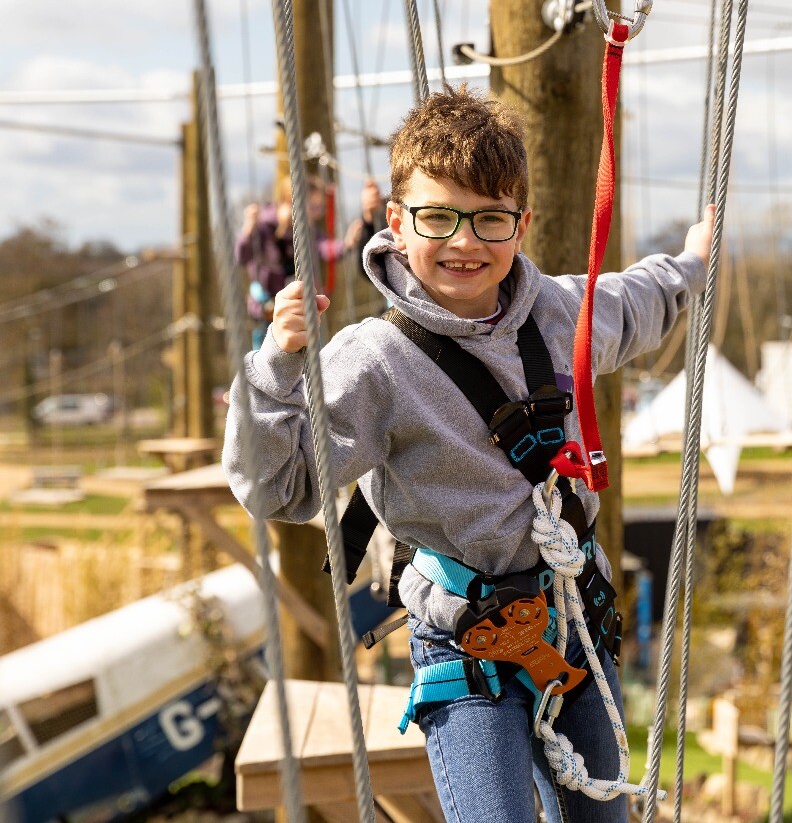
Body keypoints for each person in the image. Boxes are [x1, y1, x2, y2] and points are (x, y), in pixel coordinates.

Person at [223, 86, 713, 823]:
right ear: (396, 222)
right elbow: (281, 487)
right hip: (466, 641)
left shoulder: (556, 315)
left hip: (574, 618)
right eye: (438, 218)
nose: (464, 243)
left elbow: (640, 301)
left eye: (490, 219)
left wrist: (696, 264)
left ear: (522, 223)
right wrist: (275, 368)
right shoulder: (375, 363)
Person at [235, 175, 364, 349]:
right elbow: (242, 256)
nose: (316, 214)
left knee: (309, 353)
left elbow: (325, 247)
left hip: (298, 310)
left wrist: (347, 244)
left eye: (320, 208)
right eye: (313, 207)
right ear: (291, 201)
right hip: (267, 309)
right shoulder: (263, 225)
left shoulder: (308, 232)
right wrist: (248, 230)